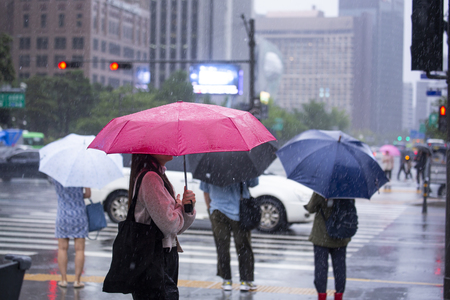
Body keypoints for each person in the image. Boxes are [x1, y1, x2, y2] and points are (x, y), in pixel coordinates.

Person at [129, 154, 196, 300]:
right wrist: (178, 209)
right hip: (155, 257)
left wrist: (186, 209)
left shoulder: (159, 176)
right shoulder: (150, 178)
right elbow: (169, 225)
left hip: (162, 254)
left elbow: (175, 228)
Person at [200, 178, 258, 292]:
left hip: (217, 211)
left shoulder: (209, 164)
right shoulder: (243, 164)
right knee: (243, 246)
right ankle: (245, 280)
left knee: (222, 246)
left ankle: (226, 280)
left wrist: (210, 209)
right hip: (240, 211)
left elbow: (205, 190)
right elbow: (253, 183)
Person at [304, 192, 354, 300]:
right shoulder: (348, 189)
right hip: (341, 235)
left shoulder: (322, 189)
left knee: (321, 268)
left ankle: (321, 296)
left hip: (322, 235)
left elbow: (311, 208)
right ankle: (339, 295)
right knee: (340, 268)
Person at [53, 179, 91, 288]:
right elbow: (88, 194)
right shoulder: (81, 174)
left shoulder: (57, 176)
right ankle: (77, 281)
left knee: (62, 248)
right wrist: (77, 196)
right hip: (79, 215)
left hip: (63, 215)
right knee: (79, 249)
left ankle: (64, 280)